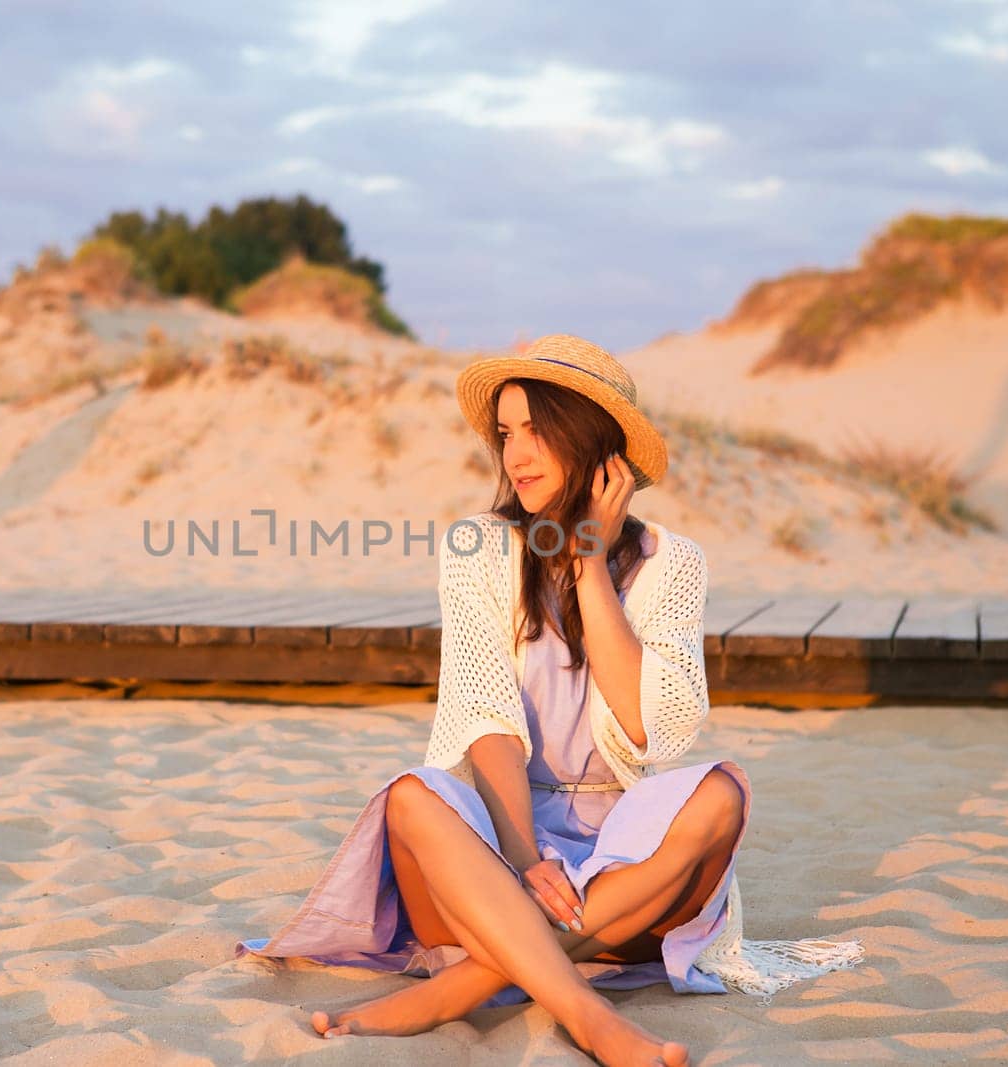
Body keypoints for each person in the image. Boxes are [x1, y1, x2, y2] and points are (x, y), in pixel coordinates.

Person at [238, 334, 862, 1066]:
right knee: (409, 797)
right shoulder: (478, 547)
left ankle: (472, 982)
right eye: (506, 433)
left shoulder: (673, 564)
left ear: (596, 444)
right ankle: (590, 1015)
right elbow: (482, 718)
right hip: (497, 853)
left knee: (721, 793)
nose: (517, 455)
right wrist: (525, 857)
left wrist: (590, 564)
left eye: (539, 430)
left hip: (625, 869)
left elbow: (653, 728)